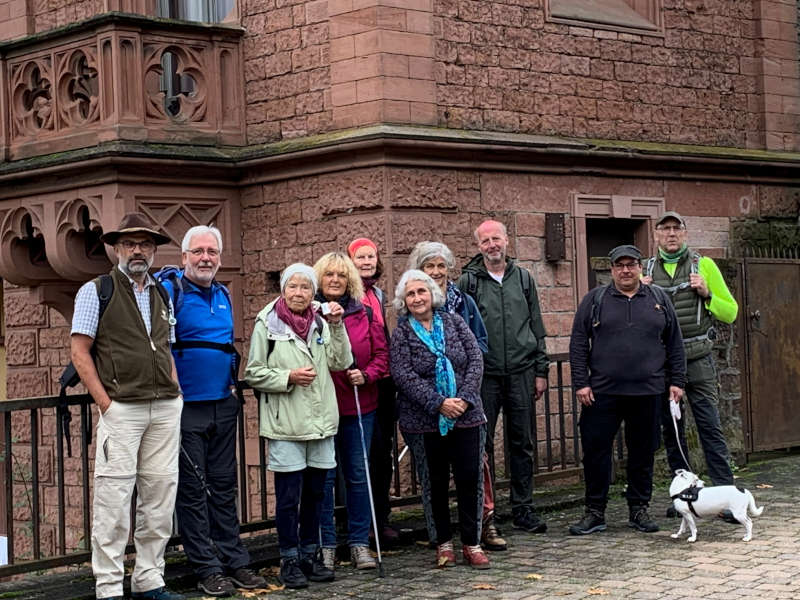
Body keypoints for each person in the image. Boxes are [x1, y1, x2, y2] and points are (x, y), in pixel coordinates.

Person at [70, 213, 184, 600]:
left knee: (160, 497)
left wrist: (177, 393)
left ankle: (150, 579)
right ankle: (109, 587)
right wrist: (105, 403)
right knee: (114, 500)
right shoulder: (97, 290)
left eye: (146, 244)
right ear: (116, 248)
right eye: (130, 244)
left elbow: (165, 348)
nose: (138, 250)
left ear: (153, 250)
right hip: (122, 408)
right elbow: (79, 351)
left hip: (164, 407)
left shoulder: (162, 292)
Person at [162, 226, 266, 597]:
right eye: (198, 251)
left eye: (212, 252)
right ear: (184, 256)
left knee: (224, 487)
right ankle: (206, 568)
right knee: (192, 491)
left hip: (222, 403)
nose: (206, 257)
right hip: (186, 406)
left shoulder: (223, 293)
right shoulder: (170, 291)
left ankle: (234, 561)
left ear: (219, 258)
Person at [244, 264, 352, 589]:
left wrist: (337, 326)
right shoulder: (268, 323)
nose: (299, 293)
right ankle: (288, 560)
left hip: (320, 422)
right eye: (293, 286)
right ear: (283, 289)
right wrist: (287, 378)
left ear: (313, 292)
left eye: (306, 287)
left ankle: (310, 555)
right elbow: (254, 372)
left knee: (317, 495)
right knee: (289, 498)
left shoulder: (321, 321)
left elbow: (341, 361)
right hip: (286, 424)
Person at [568, 245, 687, 536]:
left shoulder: (659, 299)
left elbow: (675, 343)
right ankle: (595, 511)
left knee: (642, 452)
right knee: (596, 452)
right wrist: (581, 382)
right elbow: (579, 342)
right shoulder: (594, 300)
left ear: (639, 268)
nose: (625, 270)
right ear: (611, 270)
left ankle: (639, 508)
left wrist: (677, 381)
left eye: (631, 265)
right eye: (619, 265)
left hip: (648, 391)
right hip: (602, 392)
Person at [405, 241, 507, 551]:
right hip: (428, 407)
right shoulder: (407, 307)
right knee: (433, 473)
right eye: (428, 266)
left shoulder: (463, 304)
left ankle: (484, 525)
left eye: (440, 266)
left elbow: (480, 348)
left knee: (477, 466)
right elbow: (404, 360)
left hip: (466, 398)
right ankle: (442, 537)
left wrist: (460, 387)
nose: (436, 272)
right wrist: (437, 396)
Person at [390, 270, 489, 569]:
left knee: (470, 480)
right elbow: (403, 374)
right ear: (404, 301)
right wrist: (439, 403)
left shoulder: (454, 322)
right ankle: (443, 543)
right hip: (424, 420)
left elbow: (475, 360)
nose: (418, 298)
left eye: (422, 291)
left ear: (432, 294)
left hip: (467, 414)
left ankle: (472, 543)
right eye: (411, 294)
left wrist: (465, 398)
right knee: (434, 483)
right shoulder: (402, 333)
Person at [641, 211, 739, 513]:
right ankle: (684, 496)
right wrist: (642, 294)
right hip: (665, 364)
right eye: (665, 228)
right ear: (656, 234)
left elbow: (731, 312)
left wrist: (707, 293)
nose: (671, 234)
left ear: (685, 233)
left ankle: (726, 497)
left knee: (710, 426)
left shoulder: (704, 265)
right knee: (673, 431)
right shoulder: (645, 271)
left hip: (698, 359)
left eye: (677, 228)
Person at [457, 220, 550, 534]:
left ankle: (523, 508)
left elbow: (536, 327)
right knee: (482, 446)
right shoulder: (468, 282)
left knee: (522, 442)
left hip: (522, 372)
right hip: (486, 375)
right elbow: (461, 330)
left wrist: (541, 370)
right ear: (479, 246)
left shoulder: (523, 278)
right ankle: (487, 513)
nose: (492, 245)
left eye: (496, 238)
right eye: (485, 241)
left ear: (507, 240)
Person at [313, 252, 389, 570]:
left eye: (341, 275)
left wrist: (368, 374)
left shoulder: (363, 312)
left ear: (350, 281)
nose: (334, 280)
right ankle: (326, 546)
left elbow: (382, 354)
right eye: (329, 274)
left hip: (359, 406)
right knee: (325, 479)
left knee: (358, 477)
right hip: (321, 408)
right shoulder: (309, 312)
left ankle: (359, 543)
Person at [347, 237, 399, 544]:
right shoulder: (346, 294)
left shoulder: (378, 293)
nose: (366, 262)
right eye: (360, 257)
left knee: (381, 454)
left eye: (371, 257)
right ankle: (359, 522)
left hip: (381, 381)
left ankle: (381, 518)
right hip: (355, 382)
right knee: (357, 456)